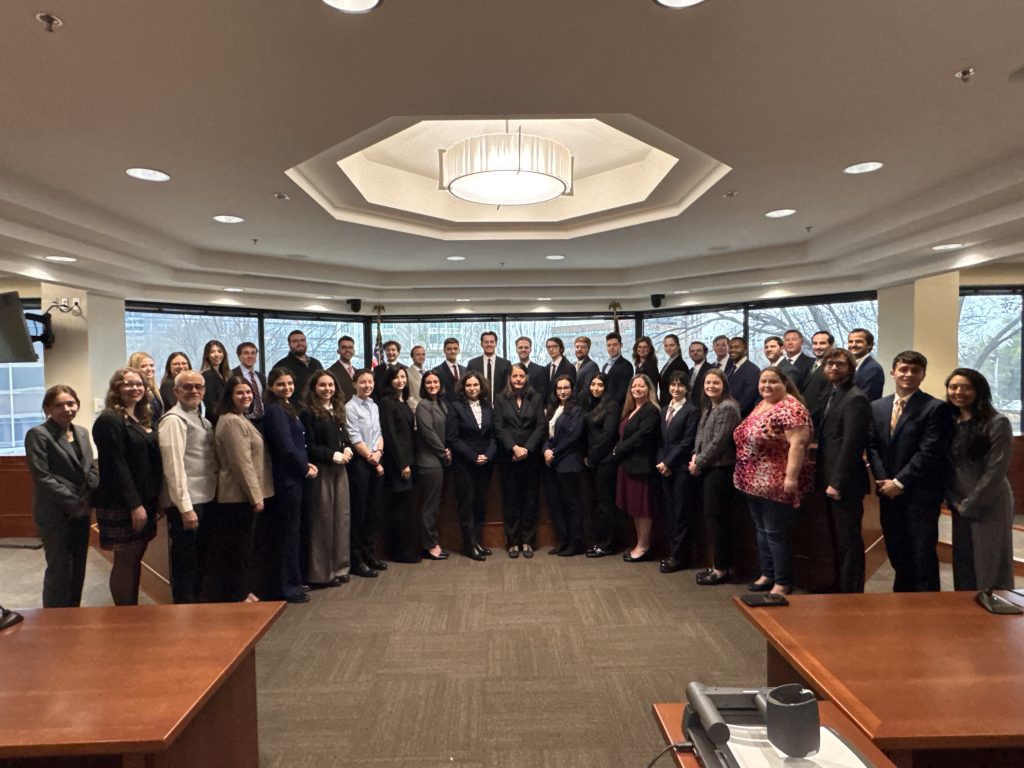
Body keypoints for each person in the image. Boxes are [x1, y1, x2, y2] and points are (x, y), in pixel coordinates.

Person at [867, 351, 951, 592]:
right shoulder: (877, 407)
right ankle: (903, 602)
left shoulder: (935, 408)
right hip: (887, 492)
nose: (908, 374)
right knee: (897, 550)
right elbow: (872, 446)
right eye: (903, 369)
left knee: (922, 553)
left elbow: (929, 452)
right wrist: (884, 479)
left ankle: (927, 609)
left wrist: (900, 482)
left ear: (923, 375)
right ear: (893, 372)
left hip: (920, 493)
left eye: (915, 370)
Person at [733, 366, 813, 596]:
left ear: (784, 383)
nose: (766, 386)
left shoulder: (791, 408)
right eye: (763, 382)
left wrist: (791, 477)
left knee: (776, 534)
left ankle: (782, 581)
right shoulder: (764, 404)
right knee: (761, 530)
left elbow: (797, 445)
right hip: (752, 482)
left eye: (772, 382)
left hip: (777, 482)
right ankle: (767, 573)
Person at [92, 367, 162, 605]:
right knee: (125, 560)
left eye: (139, 384)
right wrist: (135, 505)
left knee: (135, 558)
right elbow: (116, 466)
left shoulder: (141, 418)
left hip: (145, 499)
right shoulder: (109, 419)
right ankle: (124, 613)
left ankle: (131, 609)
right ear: (116, 388)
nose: (135, 388)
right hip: (123, 502)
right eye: (128, 384)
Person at [25, 385, 99, 608]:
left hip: (82, 511)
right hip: (55, 514)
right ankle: (54, 620)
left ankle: (72, 615)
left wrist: (92, 488)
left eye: (71, 403)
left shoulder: (82, 432)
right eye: (59, 405)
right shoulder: (38, 434)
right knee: (59, 571)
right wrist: (73, 501)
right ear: (47, 408)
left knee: (78, 568)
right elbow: (42, 476)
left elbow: (91, 465)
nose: (67, 408)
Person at [945, 368, 1014, 591]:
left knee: (989, 559)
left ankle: (992, 612)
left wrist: (971, 504)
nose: (958, 392)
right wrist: (955, 500)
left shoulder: (997, 422)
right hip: (958, 500)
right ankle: (965, 611)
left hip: (989, 500)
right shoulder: (949, 421)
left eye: (966, 387)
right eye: (953, 387)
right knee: (964, 559)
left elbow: (996, 471)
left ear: (979, 391)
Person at [210, 375, 273, 602]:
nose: (245, 396)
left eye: (248, 392)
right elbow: (241, 463)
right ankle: (237, 593)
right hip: (237, 497)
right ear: (229, 396)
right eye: (240, 393)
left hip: (244, 497)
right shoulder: (231, 421)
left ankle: (243, 590)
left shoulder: (240, 418)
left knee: (246, 547)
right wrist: (255, 497)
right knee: (238, 549)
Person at [815, 348, 871, 593]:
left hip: (844, 483)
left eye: (839, 364)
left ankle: (851, 590)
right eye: (829, 364)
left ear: (850, 368)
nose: (833, 368)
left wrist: (837, 483)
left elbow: (852, 445)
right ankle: (838, 584)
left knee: (849, 541)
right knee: (836, 538)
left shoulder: (855, 398)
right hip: (828, 477)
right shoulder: (832, 394)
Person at [158, 370, 217, 604]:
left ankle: (196, 611)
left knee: (200, 560)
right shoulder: (173, 421)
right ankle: (183, 613)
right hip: (188, 504)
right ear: (176, 391)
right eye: (187, 387)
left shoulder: (201, 419)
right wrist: (185, 507)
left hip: (205, 499)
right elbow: (173, 468)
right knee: (185, 563)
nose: (194, 391)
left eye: (198, 387)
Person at [259, 368, 318, 603]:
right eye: (281, 384)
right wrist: (304, 468)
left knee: (295, 532)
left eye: (290, 383)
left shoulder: (288, 407)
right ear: (272, 386)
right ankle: (287, 587)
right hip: (287, 480)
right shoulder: (274, 410)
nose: (287, 387)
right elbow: (285, 447)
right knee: (287, 535)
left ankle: (295, 580)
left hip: (296, 477)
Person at [301, 371, 353, 588]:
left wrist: (347, 447)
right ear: (314, 388)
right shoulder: (308, 413)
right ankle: (321, 573)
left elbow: (343, 436)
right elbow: (310, 446)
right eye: (322, 385)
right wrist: (332, 455)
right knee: (323, 521)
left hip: (340, 470)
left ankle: (340, 567)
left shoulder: (337, 409)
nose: (327, 389)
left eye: (331, 385)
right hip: (322, 470)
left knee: (341, 518)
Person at [689, 369, 742, 586]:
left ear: (724, 385)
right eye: (708, 382)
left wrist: (698, 462)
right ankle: (720, 564)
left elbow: (718, 442)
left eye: (716, 383)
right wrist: (695, 455)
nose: (711, 386)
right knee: (713, 518)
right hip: (708, 468)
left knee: (718, 519)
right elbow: (701, 437)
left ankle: (721, 568)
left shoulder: (728, 407)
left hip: (720, 470)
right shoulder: (711, 406)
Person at [493, 362, 545, 558]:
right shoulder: (500, 399)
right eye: (514, 376)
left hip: (531, 458)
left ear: (526, 378)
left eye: (521, 376)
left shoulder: (536, 398)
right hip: (508, 457)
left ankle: (527, 541)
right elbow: (499, 426)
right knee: (511, 500)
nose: (518, 380)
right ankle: (513, 541)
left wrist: (527, 449)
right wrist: (514, 448)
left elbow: (541, 425)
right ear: (509, 378)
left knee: (530, 500)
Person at [445, 372, 497, 560]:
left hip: (485, 463)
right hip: (465, 463)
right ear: (463, 388)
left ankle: (478, 542)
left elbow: (493, 435)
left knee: (480, 503)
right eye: (469, 385)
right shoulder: (455, 407)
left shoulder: (487, 406)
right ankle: (469, 545)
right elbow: (452, 438)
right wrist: (474, 456)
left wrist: (488, 455)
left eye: (476, 385)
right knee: (466, 504)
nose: (473, 388)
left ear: (481, 387)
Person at [655, 372, 700, 574]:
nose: (675, 388)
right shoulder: (664, 409)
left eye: (680, 385)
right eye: (672, 385)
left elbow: (686, 442)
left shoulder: (692, 410)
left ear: (687, 389)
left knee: (681, 513)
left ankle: (680, 556)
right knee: (670, 512)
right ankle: (672, 552)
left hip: (680, 468)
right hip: (664, 469)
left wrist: (668, 462)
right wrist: (660, 462)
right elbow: (660, 440)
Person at [613, 374, 661, 562]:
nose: (637, 389)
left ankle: (644, 546)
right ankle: (639, 543)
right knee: (634, 508)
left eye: (641, 386)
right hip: (628, 465)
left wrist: (618, 450)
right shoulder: (631, 409)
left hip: (641, 466)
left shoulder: (651, 411)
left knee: (643, 508)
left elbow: (642, 436)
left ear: (649, 389)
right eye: (634, 386)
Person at [346, 369, 388, 577]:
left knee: (373, 512)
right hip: (360, 464)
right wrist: (372, 459)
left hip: (375, 459)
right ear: (355, 384)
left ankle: (370, 554)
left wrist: (378, 453)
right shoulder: (350, 407)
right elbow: (354, 437)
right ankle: (357, 560)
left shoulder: (373, 405)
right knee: (359, 514)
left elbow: (379, 433)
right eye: (362, 382)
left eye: (370, 382)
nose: (367, 386)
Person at [378, 366, 419, 563]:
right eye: (396, 378)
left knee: (405, 507)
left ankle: (405, 548)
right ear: (389, 381)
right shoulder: (387, 402)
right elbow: (391, 435)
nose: (400, 381)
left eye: (403, 377)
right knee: (398, 510)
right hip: (397, 464)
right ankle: (398, 551)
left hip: (408, 461)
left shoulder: (403, 402)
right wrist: (403, 464)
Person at [543, 374, 586, 556]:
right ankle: (563, 540)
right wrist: (546, 449)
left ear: (572, 389)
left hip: (568, 463)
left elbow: (573, 437)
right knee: (556, 505)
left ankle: (575, 543)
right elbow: (546, 433)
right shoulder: (554, 408)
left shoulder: (576, 410)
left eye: (566, 388)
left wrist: (554, 452)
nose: (562, 391)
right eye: (559, 388)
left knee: (571, 505)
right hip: (551, 463)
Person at [582, 373, 620, 557]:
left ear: (606, 387)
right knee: (596, 502)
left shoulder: (611, 405)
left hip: (604, 461)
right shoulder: (590, 403)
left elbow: (608, 435)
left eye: (600, 385)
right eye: (593, 384)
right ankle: (599, 541)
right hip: (592, 462)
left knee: (606, 504)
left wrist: (592, 457)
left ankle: (607, 544)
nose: (596, 388)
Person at [415, 370, 451, 561]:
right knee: (430, 506)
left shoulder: (441, 403)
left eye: (435, 381)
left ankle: (433, 541)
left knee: (436, 505)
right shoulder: (423, 406)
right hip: (429, 462)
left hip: (441, 461)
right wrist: (443, 451)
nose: (432, 385)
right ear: (423, 385)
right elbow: (428, 433)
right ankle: (429, 545)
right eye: (428, 382)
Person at [271, 329, 324, 403]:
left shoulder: (316, 363)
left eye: (302, 340)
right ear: (289, 345)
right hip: (293, 411)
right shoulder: (281, 366)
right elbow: (275, 394)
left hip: (316, 409)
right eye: (295, 341)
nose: (300, 343)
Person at [801, 330, 835, 432]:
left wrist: (806, 423)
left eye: (822, 343)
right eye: (815, 343)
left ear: (831, 345)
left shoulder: (832, 368)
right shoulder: (811, 364)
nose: (818, 347)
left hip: (816, 426)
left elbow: (822, 402)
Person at [468, 330, 510, 403]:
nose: (489, 344)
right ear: (481, 344)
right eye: (486, 342)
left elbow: (508, 387)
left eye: (492, 342)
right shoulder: (473, 364)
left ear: (496, 343)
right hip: (478, 406)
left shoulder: (506, 364)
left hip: (500, 406)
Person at [232, 342, 266, 425]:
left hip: (263, 421)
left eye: (253, 353)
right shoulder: (231, 375)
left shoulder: (261, 377)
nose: (250, 356)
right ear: (239, 356)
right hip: (242, 421)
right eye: (246, 353)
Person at [726, 337, 760, 416]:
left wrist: (729, 415)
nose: (732, 350)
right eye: (730, 347)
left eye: (737, 347)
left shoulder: (753, 370)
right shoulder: (730, 368)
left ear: (745, 350)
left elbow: (747, 400)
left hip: (739, 417)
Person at [199, 340, 231, 426]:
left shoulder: (226, 374)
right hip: (216, 421)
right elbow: (210, 405)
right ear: (207, 356)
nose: (217, 354)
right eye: (212, 352)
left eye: (219, 351)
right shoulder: (207, 375)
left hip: (227, 419)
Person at [848, 328, 885, 401]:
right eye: (850, 341)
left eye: (858, 341)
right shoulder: (849, 366)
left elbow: (864, 399)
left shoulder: (873, 369)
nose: (853, 345)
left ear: (870, 345)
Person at [601, 332, 634, 406]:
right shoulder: (605, 366)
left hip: (617, 406)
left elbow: (623, 390)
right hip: (604, 405)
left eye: (615, 345)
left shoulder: (626, 365)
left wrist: (611, 405)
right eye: (609, 345)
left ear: (621, 345)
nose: (611, 348)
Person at [128, 351, 162, 420]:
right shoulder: (134, 392)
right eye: (143, 366)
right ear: (134, 368)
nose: (149, 369)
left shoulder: (153, 390)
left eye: (151, 365)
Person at [657, 334, 689, 406]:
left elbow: (681, 388)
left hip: (674, 403)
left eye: (672, 345)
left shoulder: (680, 365)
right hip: (665, 401)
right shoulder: (669, 361)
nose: (668, 348)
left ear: (678, 346)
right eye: (666, 346)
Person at [326, 335, 358, 402]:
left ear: (354, 351)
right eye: (344, 347)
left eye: (350, 347)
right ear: (338, 351)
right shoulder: (330, 372)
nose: (347, 350)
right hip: (341, 410)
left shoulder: (357, 371)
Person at [434, 337, 467, 403]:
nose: (452, 351)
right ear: (444, 350)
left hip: (463, 407)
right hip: (446, 409)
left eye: (455, 348)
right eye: (449, 349)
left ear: (459, 350)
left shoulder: (465, 370)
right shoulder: (437, 370)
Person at [687, 341, 713, 411]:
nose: (695, 353)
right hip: (690, 409)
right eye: (692, 351)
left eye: (699, 350)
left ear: (705, 353)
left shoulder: (711, 370)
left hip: (704, 409)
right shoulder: (690, 371)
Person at [406, 344, 426, 412]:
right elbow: (408, 396)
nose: (421, 357)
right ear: (412, 357)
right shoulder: (407, 373)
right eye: (418, 355)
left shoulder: (427, 373)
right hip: (415, 411)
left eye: (423, 354)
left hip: (429, 410)